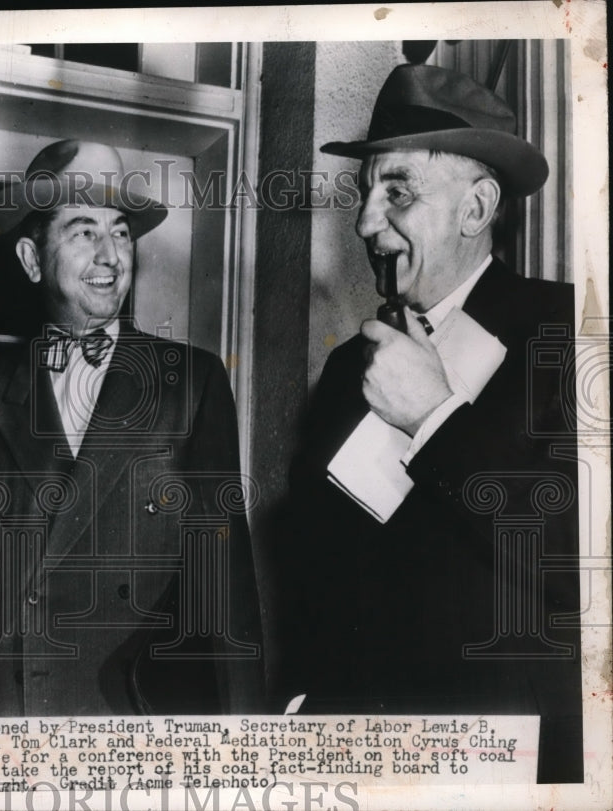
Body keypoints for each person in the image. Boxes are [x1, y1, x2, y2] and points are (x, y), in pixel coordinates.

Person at [276, 64, 581, 783]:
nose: (364, 222)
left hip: (505, 763)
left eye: (398, 191)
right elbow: (316, 566)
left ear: (477, 208)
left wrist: (435, 417)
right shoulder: (349, 366)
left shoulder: (571, 333)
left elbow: (577, 560)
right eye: (365, 191)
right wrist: (299, 702)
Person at [0, 139, 264, 716]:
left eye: (120, 232)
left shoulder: (191, 382)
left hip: (131, 716)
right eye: (84, 232)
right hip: (8, 713)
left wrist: (242, 736)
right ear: (32, 259)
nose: (110, 256)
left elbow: (223, 578)